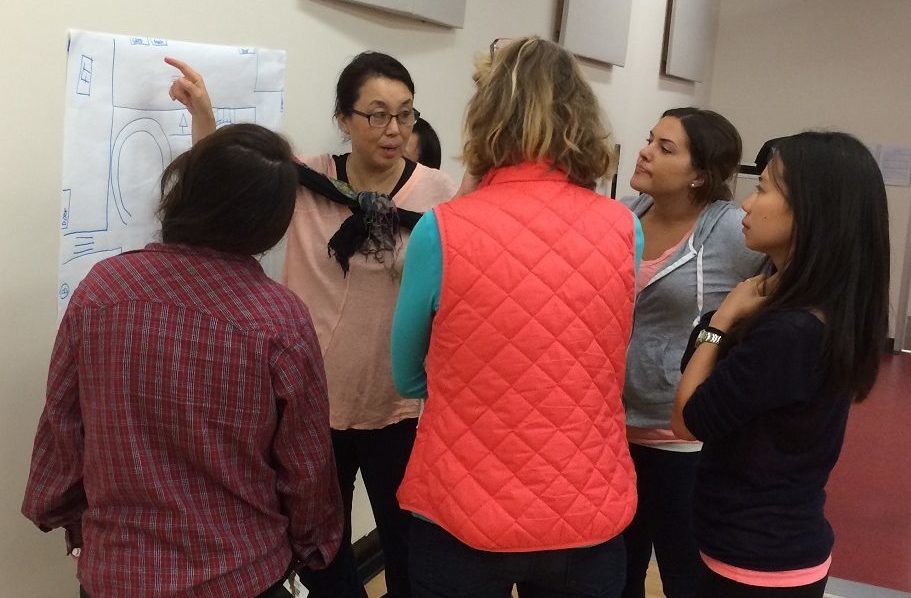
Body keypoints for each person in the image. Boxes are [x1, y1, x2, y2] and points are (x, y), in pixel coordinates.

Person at [167, 52, 456, 598]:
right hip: (309, 407)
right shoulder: (304, 178)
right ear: (344, 119)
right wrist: (202, 114)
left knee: (409, 548)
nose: (392, 130)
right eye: (376, 114)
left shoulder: (440, 195)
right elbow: (230, 180)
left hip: (398, 406)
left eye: (405, 115)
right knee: (322, 550)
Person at [21, 123, 343, 597]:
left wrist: (70, 523)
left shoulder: (101, 290)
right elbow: (306, 466)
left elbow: (62, 429)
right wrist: (313, 546)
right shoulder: (280, 320)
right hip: (242, 573)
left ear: (186, 191)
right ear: (270, 221)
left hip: (117, 574)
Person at [391, 36, 643, 598]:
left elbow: (406, 373)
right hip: (587, 508)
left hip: (463, 507)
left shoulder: (443, 228)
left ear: (485, 117)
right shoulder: (625, 227)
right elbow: (607, 352)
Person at [672, 131, 890, 598]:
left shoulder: (789, 332)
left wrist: (720, 321)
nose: (746, 206)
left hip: (753, 561)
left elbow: (688, 419)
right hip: (769, 546)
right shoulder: (821, 312)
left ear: (811, 212)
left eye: (764, 189)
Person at [620, 107, 764, 598]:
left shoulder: (730, 231)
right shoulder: (621, 216)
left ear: (700, 174)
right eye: (650, 139)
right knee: (619, 573)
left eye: (666, 148)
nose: (645, 152)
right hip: (610, 432)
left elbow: (780, 289)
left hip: (683, 441)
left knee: (685, 575)